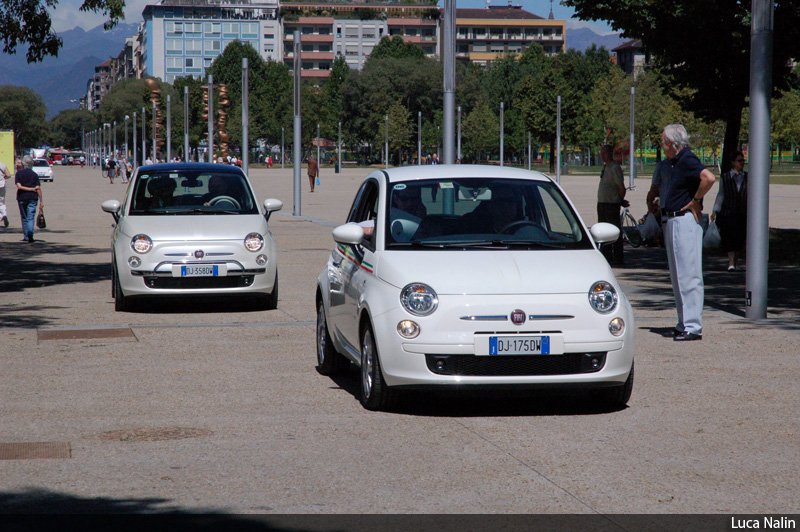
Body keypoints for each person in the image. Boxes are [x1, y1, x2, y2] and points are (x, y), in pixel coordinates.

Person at [660, 123, 716, 342]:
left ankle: (693, 325)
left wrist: (696, 201)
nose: (663, 146)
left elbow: (709, 178)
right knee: (678, 275)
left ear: (674, 144)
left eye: (664, 142)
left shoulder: (688, 158)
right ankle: (684, 321)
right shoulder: (676, 162)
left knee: (689, 273)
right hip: (672, 219)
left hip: (684, 220)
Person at [712, 151, 747, 271]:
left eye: (743, 160)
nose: (742, 163)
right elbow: (721, 194)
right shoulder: (726, 177)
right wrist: (715, 210)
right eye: (739, 160)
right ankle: (731, 262)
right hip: (729, 212)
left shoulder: (747, 177)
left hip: (743, 212)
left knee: (740, 237)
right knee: (730, 237)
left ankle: (735, 261)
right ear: (733, 162)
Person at [596, 144, 627, 265]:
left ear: (609, 154)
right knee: (604, 231)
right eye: (601, 153)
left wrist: (619, 200)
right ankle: (607, 256)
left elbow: (621, 187)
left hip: (611, 204)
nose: (602, 155)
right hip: (602, 203)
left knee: (614, 231)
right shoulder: (606, 167)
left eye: (604, 153)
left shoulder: (614, 167)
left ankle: (618, 258)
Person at [15, 155, 43, 243]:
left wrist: (28, 189)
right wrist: (41, 201)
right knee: (30, 217)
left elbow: (19, 187)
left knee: (24, 217)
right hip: (33, 198)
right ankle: (30, 233)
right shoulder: (34, 175)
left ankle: (26, 235)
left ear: (23, 163)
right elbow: (38, 188)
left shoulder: (18, 174)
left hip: (22, 197)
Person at [0, 157, 11, 228]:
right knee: (1, 201)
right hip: (1, 185)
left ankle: (1, 216)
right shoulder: (2, 164)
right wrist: (3, 178)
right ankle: (4, 215)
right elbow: (9, 175)